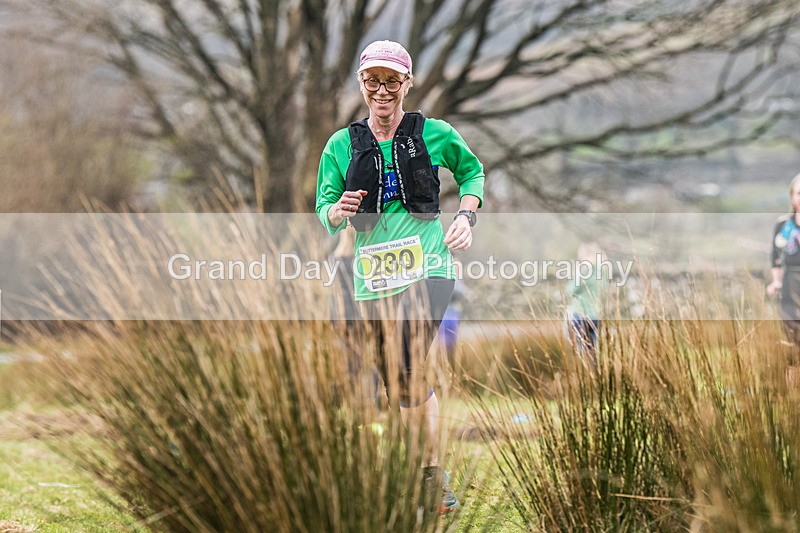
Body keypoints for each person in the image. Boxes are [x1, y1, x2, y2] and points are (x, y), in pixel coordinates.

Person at [315, 40, 484, 514]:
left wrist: (466, 216)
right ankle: (415, 474)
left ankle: (432, 479)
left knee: (408, 363)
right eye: (373, 80)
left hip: (429, 269)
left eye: (392, 80)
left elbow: (472, 173)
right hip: (371, 278)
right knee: (394, 378)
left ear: (407, 84)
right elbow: (323, 206)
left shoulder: (435, 133)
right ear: (361, 84)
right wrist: (337, 211)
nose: (382, 90)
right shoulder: (341, 145)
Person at [767, 172, 800, 381]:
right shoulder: (783, 226)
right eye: (799, 193)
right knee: (792, 341)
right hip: (789, 289)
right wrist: (776, 282)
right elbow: (776, 257)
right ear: (792, 197)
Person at [564, 242, 609, 369]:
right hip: (596, 316)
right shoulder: (602, 272)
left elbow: (569, 290)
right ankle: (596, 373)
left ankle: (584, 372)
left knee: (580, 350)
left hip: (581, 316)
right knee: (593, 349)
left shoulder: (585, 271)